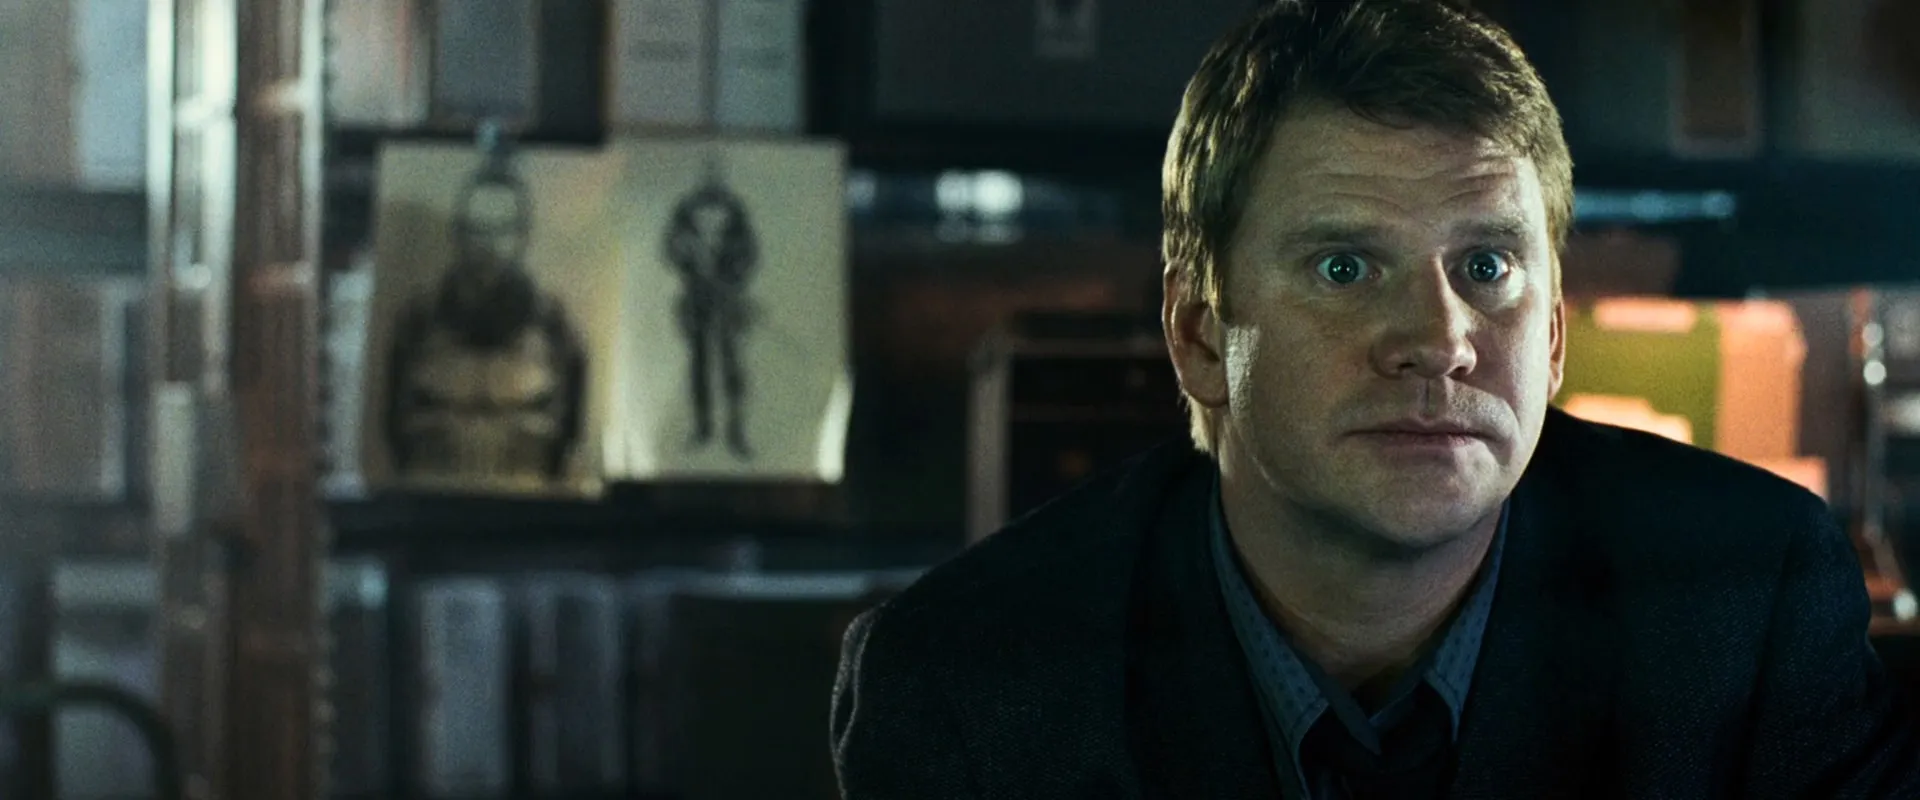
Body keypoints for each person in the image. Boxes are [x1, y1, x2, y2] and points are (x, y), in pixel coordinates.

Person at [829, 1, 1920, 797]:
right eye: (1344, 268)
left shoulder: (1744, 603)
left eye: (1486, 267)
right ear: (1200, 335)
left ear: (1550, 338)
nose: (1438, 341)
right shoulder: (973, 689)